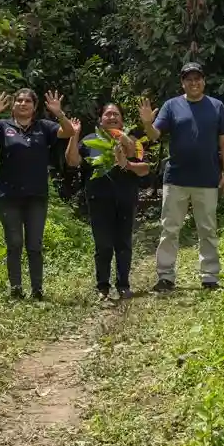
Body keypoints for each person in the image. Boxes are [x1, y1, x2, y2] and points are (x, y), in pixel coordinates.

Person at [139, 62, 224, 293]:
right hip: (176, 178)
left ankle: (210, 276)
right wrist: (146, 123)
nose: (194, 83)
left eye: (197, 78)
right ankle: (165, 276)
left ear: (204, 81)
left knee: (208, 228)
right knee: (169, 228)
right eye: (189, 79)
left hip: (208, 178)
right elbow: (155, 135)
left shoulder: (216, 106)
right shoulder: (171, 106)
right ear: (182, 82)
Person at [0, 88, 73, 300]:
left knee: (34, 245)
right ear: (13, 105)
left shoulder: (44, 127)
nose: (22, 104)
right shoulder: (3, 127)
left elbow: (69, 132)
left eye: (27, 101)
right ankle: (16, 288)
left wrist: (59, 113)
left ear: (34, 106)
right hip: (8, 196)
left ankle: (37, 289)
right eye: (18, 100)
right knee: (14, 242)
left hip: (36, 196)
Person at [67, 104, 150, 301]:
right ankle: (102, 287)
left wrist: (127, 164)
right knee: (103, 245)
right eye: (107, 114)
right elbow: (72, 161)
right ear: (100, 119)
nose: (112, 117)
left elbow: (145, 168)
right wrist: (74, 135)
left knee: (123, 243)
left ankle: (123, 285)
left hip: (125, 197)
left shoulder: (131, 141)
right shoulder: (90, 140)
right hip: (98, 199)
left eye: (116, 114)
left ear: (122, 119)